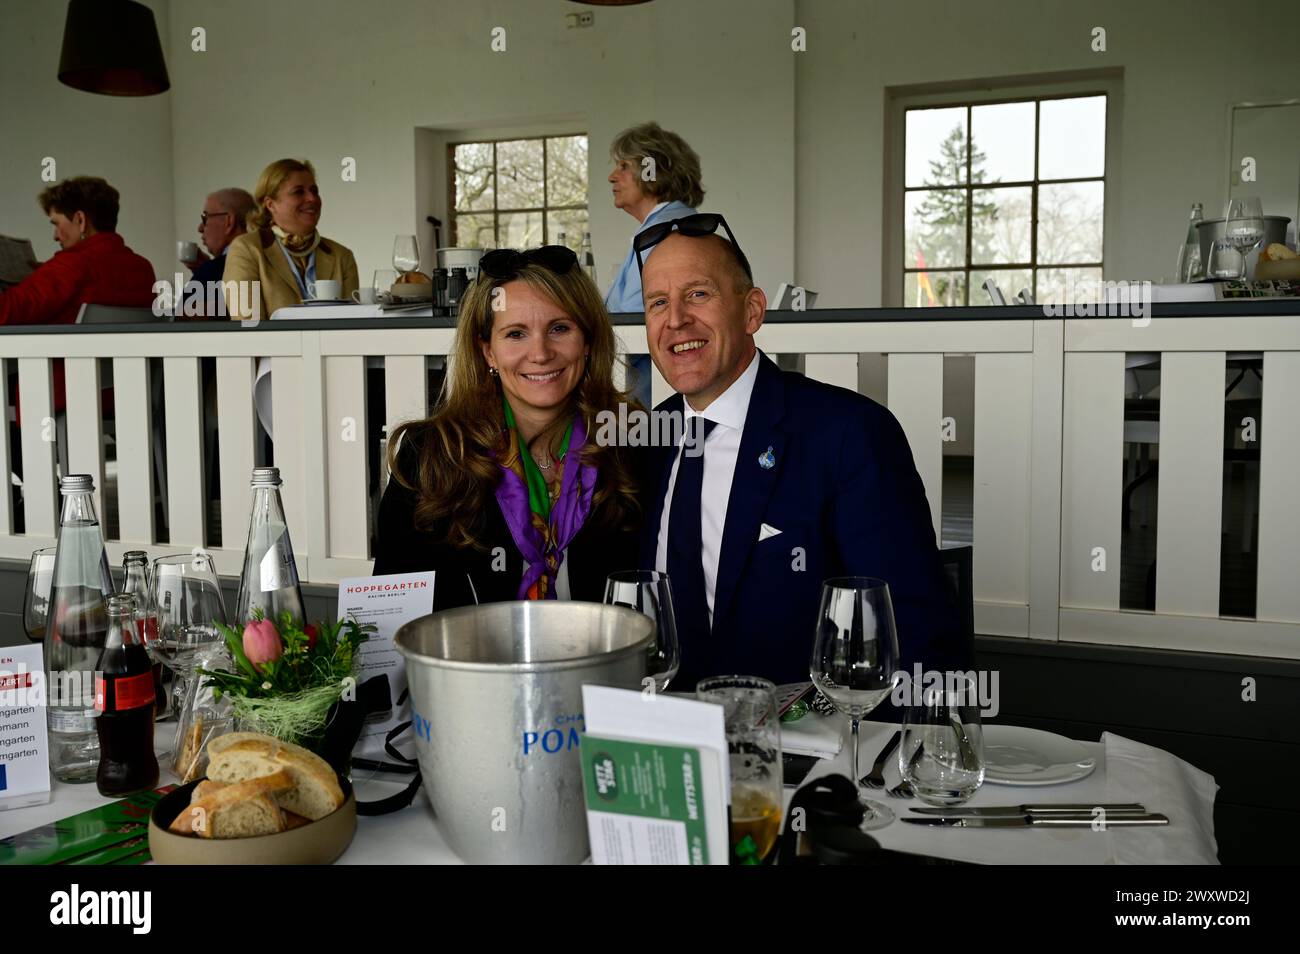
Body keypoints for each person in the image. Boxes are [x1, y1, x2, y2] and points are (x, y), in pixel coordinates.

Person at [636, 212, 965, 687]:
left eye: (698, 294)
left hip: (806, 742)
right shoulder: (644, 441)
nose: (676, 320)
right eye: (657, 303)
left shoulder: (849, 434)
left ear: (752, 311)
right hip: (660, 736)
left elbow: (911, 633)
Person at [372, 245, 643, 610]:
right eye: (516, 334)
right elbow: (390, 619)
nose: (541, 353)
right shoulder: (432, 455)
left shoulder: (629, 445)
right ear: (488, 351)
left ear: (589, 341)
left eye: (559, 328)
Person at [604, 122, 704, 407]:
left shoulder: (666, 231)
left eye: (624, 166)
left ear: (654, 171)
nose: (612, 177)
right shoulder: (668, 224)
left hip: (651, 397)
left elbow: (637, 311)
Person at [0, 176, 155, 327]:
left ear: (80, 220)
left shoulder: (70, 266)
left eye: (57, 224)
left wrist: (49, 273)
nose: (55, 235)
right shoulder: (143, 268)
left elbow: (5, 312)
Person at [222, 159, 358, 321]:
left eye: (314, 191)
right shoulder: (246, 249)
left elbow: (352, 325)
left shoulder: (341, 256)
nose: (312, 198)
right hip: (270, 347)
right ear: (270, 204)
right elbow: (247, 323)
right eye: (298, 192)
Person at [180, 187, 255, 316]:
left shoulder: (213, 271)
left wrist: (208, 271)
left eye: (205, 218)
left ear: (229, 222)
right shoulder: (268, 263)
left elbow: (181, 323)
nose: (200, 228)